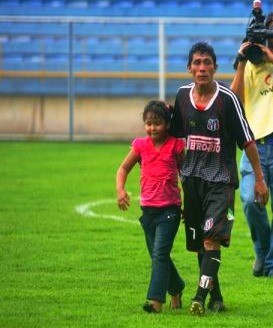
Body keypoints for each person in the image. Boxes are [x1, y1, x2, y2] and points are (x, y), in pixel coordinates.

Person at [169, 41, 269, 315]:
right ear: (189, 68)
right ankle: (217, 297)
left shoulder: (227, 99)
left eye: (207, 63)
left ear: (215, 67)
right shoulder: (180, 96)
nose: (202, 68)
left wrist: (259, 179)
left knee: (212, 239)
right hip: (191, 180)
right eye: (197, 63)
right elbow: (175, 138)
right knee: (202, 242)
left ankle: (199, 297)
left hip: (221, 181)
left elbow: (247, 141)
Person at [116, 100, 186, 314]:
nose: (152, 128)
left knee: (159, 254)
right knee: (158, 255)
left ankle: (155, 301)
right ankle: (176, 288)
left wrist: (189, 205)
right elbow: (123, 168)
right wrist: (121, 190)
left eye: (157, 123)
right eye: (148, 123)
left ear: (167, 123)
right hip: (148, 212)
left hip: (170, 210)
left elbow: (187, 175)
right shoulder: (140, 145)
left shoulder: (176, 145)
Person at [230, 12, 273, 278]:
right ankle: (262, 251)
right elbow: (234, 99)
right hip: (254, 144)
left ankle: (269, 266)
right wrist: (241, 62)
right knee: (248, 199)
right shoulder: (251, 65)